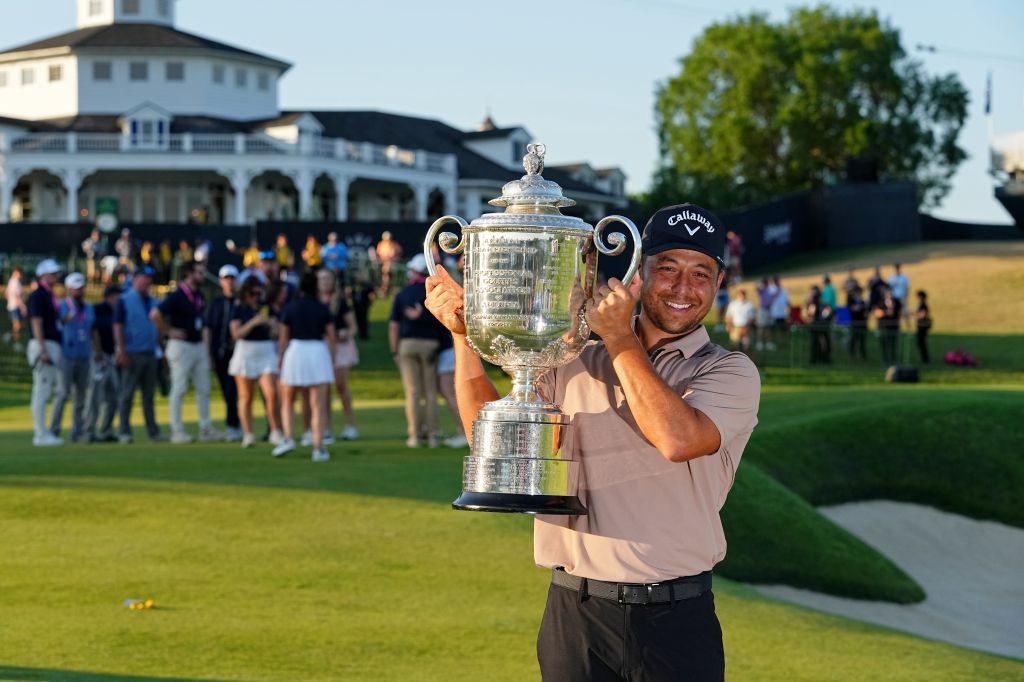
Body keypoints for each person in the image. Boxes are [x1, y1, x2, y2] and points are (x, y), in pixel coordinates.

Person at [425, 202, 760, 680]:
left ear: (719, 283)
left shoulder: (728, 370)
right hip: (575, 614)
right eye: (667, 269)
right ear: (637, 273)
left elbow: (677, 438)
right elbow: (494, 445)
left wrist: (620, 338)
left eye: (700, 273)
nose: (684, 288)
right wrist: (465, 337)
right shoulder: (571, 355)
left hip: (676, 620)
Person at [150, 259, 220, 444]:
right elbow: (155, 315)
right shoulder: (178, 295)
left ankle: (206, 428)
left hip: (197, 345)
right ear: (189, 274)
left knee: (203, 388)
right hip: (181, 346)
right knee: (179, 388)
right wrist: (168, 331)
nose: (203, 276)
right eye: (199, 272)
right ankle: (177, 430)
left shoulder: (200, 295)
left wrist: (207, 349)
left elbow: (202, 323)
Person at [272, 272, 337, 461]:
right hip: (317, 352)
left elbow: (284, 337)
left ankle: (289, 438)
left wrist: (280, 357)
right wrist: (331, 359)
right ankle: (318, 448)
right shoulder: (322, 308)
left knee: (288, 400)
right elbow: (331, 337)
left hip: (296, 352)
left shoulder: (290, 307)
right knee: (318, 404)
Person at [390, 254, 445, 448]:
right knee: (430, 392)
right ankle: (432, 435)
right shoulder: (434, 293)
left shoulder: (402, 294)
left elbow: (394, 325)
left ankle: (414, 435)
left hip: (407, 345)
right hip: (430, 344)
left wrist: (394, 350)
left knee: (413, 392)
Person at [229, 276, 284, 449]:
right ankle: (248, 433)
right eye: (252, 293)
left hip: (266, 350)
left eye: (258, 293)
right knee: (246, 396)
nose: (256, 297)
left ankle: (275, 431)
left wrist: (269, 323)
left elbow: (278, 333)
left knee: (271, 392)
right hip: (246, 351)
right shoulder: (239, 309)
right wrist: (254, 322)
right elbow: (236, 334)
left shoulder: (267, 309)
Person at [114, 266, 164, 444]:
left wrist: (161, 350)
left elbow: (158, 328)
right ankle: (124, 431)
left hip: (150, 352)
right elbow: (118, 327)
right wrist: (122, 351)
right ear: (135, 279)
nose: (147, 282)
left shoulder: (153, 301)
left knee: (149, 396)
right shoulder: (124, 300)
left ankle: (153, 431)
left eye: (149, 278)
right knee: (127, 395)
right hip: (132, 353)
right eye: (144, 278)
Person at [51, 273, 95, 443]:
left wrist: (96, 352)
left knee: (81, 396)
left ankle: (78, 431)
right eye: (77, 289)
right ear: (69, 289)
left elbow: (93, 331)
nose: (80, 291)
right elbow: (55, 327)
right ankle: (54, 430)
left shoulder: (89, 308)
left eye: (82, 288)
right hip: (66, 356)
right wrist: (63, 321)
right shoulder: (61, 306)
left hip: (84, 355)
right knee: (62, 394)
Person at [26, 259, 65, 446]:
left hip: (51, 344)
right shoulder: (38, 295)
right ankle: (40, 435)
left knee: (50, 390)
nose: (55, 276)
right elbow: (36, 322)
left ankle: (44, 432)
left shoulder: (49, 296)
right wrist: (42, 349)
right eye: (51, 273)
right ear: (42, 275)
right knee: (41, 391)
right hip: (44, 346)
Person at [207, 265, 242, 441]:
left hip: (239, 353)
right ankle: (234, 425)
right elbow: (209, 328)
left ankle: (235, 425)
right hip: (220, 354)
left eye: (232, 278)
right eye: (226, 279)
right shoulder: (216, 303)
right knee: (227, 391)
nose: (229, 282)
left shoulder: (241, 302)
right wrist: (209, 354)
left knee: (235, 390)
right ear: (221, 281)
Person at [88, 284, 121, 443]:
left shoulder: (119, 311)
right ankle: (89, 430)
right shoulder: (98, 310)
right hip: (100, 358)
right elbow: (92, 332)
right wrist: (97, 353)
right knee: (96, 395)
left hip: (114, 357)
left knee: (113, 396)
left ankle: (106, 430)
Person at [328, 271, 359, 441]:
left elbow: (352, 326)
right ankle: (325, 427)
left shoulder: (340, 302)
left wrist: (346, 333)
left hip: (341, 347)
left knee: (341, 386)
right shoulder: (316, 301)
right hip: (323, 347)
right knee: (323, 389)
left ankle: (349, 425)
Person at [873, 285, 901, 366]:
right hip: (883, 327)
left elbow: (898, 312)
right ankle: (885, 359)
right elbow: (877, 313)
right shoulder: (880, 302)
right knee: (884, 344)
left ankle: (893, 359)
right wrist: (885, 312)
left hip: (893, 326)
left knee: (893, 344)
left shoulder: (896, 302)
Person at [5, 266, 27, 348]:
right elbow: (18, 297)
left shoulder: (11, 281)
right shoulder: (16, 282)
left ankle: (9, 336)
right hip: (15, 306)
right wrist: (23, 307)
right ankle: (16, 343)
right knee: (17, 325)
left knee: (17, 324)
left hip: (11, 305)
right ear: (15, 273)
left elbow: (6, 294)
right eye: (19, 273)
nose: (20, 275)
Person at [375, 231, 403, 295]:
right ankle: (385, 287)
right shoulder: (381, 244)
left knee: (386, 271)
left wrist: (395, 258)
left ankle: (385, 287)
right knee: (385, 272)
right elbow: (378, 253)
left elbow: (399, 252)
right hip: (382, 263)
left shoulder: (394, 244)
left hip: (391, 263)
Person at [754, 277, 778, 351]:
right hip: (763, 310)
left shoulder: (770, 290)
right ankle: (759, 343)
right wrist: (760, 284)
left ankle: (769, 342)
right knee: (761, 327)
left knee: (769, 327)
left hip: (769, 310)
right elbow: (756, 288)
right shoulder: (761, 290)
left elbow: (776, 293)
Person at [847, 285, 868, 360]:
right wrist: (855, 308)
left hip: (862, 324)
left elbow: (866, 312)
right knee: (854, 339)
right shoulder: (852, 300)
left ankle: (862, 355)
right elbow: (850, 309)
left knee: (862, 340)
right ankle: (852, 354)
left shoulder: (863, 302)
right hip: (855, 323)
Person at [887, 263, 911, 332]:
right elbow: (889, 290)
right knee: (895, 314)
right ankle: (897, 329)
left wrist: (906, 298)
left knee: (905, 313)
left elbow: (907, 289)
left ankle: (908, 329)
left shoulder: (904, 278)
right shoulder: (891, 278)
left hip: (902, 298)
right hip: (894, 299)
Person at [914, 289, 932, 364]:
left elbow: (923, 315)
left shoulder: (923, 304)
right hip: (920, 326)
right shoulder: (921, 304)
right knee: (921, 343)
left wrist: (915, 315)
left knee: (921, 343)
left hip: (922, 327)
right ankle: (924, 358)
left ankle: (925, 359)